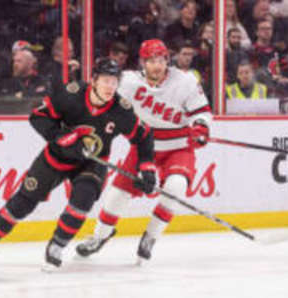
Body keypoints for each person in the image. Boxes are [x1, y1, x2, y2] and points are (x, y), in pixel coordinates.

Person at [0, 58, 156, 269]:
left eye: (115, 82)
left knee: (83, 200)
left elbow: (144, 137)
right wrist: (61, 137)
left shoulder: (121, 110)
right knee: (22, 202)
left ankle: (57, 245)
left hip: (91, 163)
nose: (110, 87)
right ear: (94, 80)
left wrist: (146, 169)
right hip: (56, 157)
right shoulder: (71, 94)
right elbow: (38, 116)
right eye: (106, 80)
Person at [76, 39, 212, 263]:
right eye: (151, 61)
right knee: (116, 196)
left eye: (161, 60)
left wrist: (200, 127)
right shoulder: (128, 82)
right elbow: (103, 103)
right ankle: (99, 236)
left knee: (175, 187)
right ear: (143, 63)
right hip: (144, 146)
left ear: (167, 60)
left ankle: (151, 236)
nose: (157, 66)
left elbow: (203, 111)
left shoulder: (185, 81)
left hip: (178, 147)